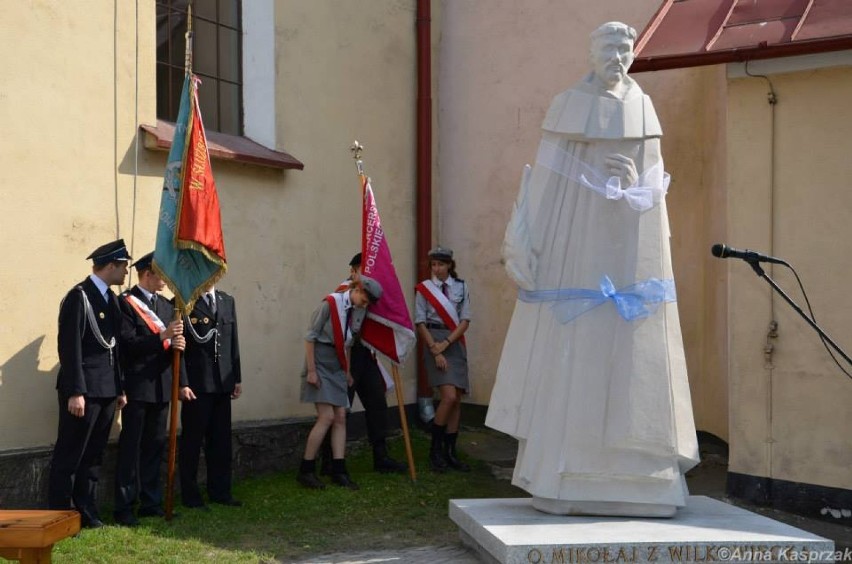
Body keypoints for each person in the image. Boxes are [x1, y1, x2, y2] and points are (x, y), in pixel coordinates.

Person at [487, 22, 698, 516]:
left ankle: (642, 483)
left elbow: (655, 190)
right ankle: (565, 475)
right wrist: (528, 242)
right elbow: (544, 185)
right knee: (575, 345)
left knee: (633, 354)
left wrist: (633, 188)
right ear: (593, 53)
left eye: (625, 49)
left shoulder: (643, 108)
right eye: (609, 48)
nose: (618, 57)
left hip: (630, 255)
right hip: (575, 255)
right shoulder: (568, 105)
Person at [48, 239, 130, 528]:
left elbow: (115, 347)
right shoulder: (79, 297)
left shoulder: (112, 299)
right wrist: (75, 391)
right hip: (84, 390)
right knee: (71, 453)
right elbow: (70, 348)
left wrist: (119, 388)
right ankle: (59, 515)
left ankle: (86, 511)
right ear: (110, 266)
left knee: (94, 456)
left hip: (106, 388)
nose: (126, 273)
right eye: (124, 267)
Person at [113, 252, 189, 526]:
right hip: (138, 385)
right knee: (131, 448)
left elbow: (176, 350)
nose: (166, 281)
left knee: (155, 447)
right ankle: (124, 506)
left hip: (162, 386)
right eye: (162, 275)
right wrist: (162, 336)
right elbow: (128, 345)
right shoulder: (126, 304)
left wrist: (182, 383)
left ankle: (151, 501)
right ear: (147, 274)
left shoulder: (168, 307)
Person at [319, 253, 407, 474]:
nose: (367, 274)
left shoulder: (372, 294)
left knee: (377, 401)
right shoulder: (344, 292)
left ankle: (381, 455)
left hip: (366, 354)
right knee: (341, 406)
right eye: (362, 269)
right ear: (353, 271)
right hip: (345, 353)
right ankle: (329, 460)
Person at [297, 275, 384, 490]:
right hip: (319, 361)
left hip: (338, 365)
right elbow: (310, 337)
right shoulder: (330, 303)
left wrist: (347, 370)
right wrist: (311, 371)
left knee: (341, 417)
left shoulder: (358, 310)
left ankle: (339, 470)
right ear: (357, 289)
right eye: (364, 300)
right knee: (326, 417)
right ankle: (306, 470)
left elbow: (349, 342)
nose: (365, 305)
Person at [179, 284, 242, 509]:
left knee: (221, 442)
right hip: (197, 385)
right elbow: (181, 349)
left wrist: (236, 377)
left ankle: (220, 491)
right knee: (192, 443)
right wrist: (182, 382)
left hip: (222, 383)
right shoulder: (185, 301)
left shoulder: (226, 301)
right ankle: (190, 495)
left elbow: (232, 340)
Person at [414, 246, 471, 472]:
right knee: (447, 397)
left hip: (453, 341)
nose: (436, 269)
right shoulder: (424, 290)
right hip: (433, 340)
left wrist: (447, 343)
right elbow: (419, 322)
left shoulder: (461, 287)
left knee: (456, 399)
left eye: (440, 264)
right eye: (433, 265)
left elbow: (465, 320)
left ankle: (450, 453)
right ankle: (435, 451)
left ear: (449, 265)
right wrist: (435, 350)